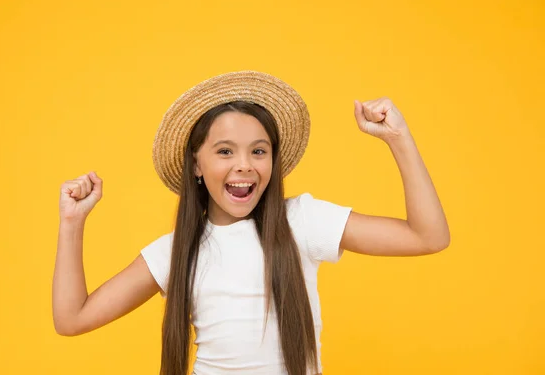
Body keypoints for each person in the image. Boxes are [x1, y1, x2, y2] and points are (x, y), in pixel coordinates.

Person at [52, 71, 450, 375]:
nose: (244, 164)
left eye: (258, 151)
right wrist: (72, 223)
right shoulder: (177, 252)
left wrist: (399, 138)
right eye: (225, 151)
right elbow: (72, 319)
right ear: (196, 164)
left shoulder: (303, 222)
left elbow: (428, 236)